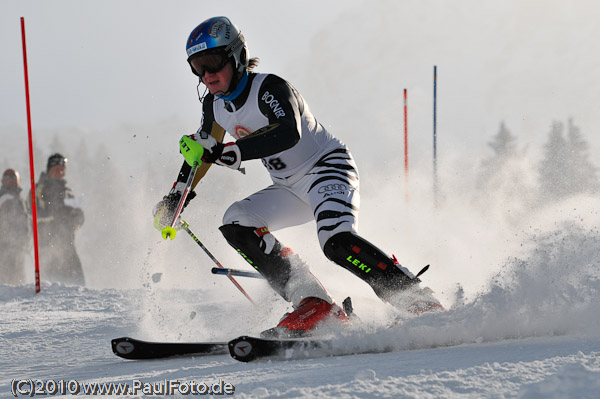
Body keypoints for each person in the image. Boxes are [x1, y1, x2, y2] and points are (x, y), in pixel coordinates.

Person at [155, 16, 443, 337]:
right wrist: (176, 198)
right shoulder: (215, 105)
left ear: (236, 56)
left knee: (335, 242)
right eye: (197, 67)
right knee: (236, 221)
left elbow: (287, 134)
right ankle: (313, 303)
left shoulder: (269, 88)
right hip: (289, 187)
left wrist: (232, 152)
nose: (206, 75)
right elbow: (202, 152)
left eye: (212, 63)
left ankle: (416, 299)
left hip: (327, 169)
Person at [31, 154, 85, 285]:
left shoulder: (67, 192)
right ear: (49, 170)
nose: (59, 173)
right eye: (56, 169)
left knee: (76, 281)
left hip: (67, 242)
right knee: (52, 282)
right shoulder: (40, 187)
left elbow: (79, 214)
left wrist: (75, 219)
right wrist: (56, 215)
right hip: (48, 241)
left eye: (62, 170)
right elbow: (33, 209)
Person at [0, 169, 29, 285]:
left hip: (19, 246)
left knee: (18, 277)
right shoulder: (4, 198)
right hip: (5, 246)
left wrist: (26, 238)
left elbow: (24, 221)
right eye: (8, 178)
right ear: (3, 181)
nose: (11, 181)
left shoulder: (19, 200)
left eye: (14, 178)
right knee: (7, 278)